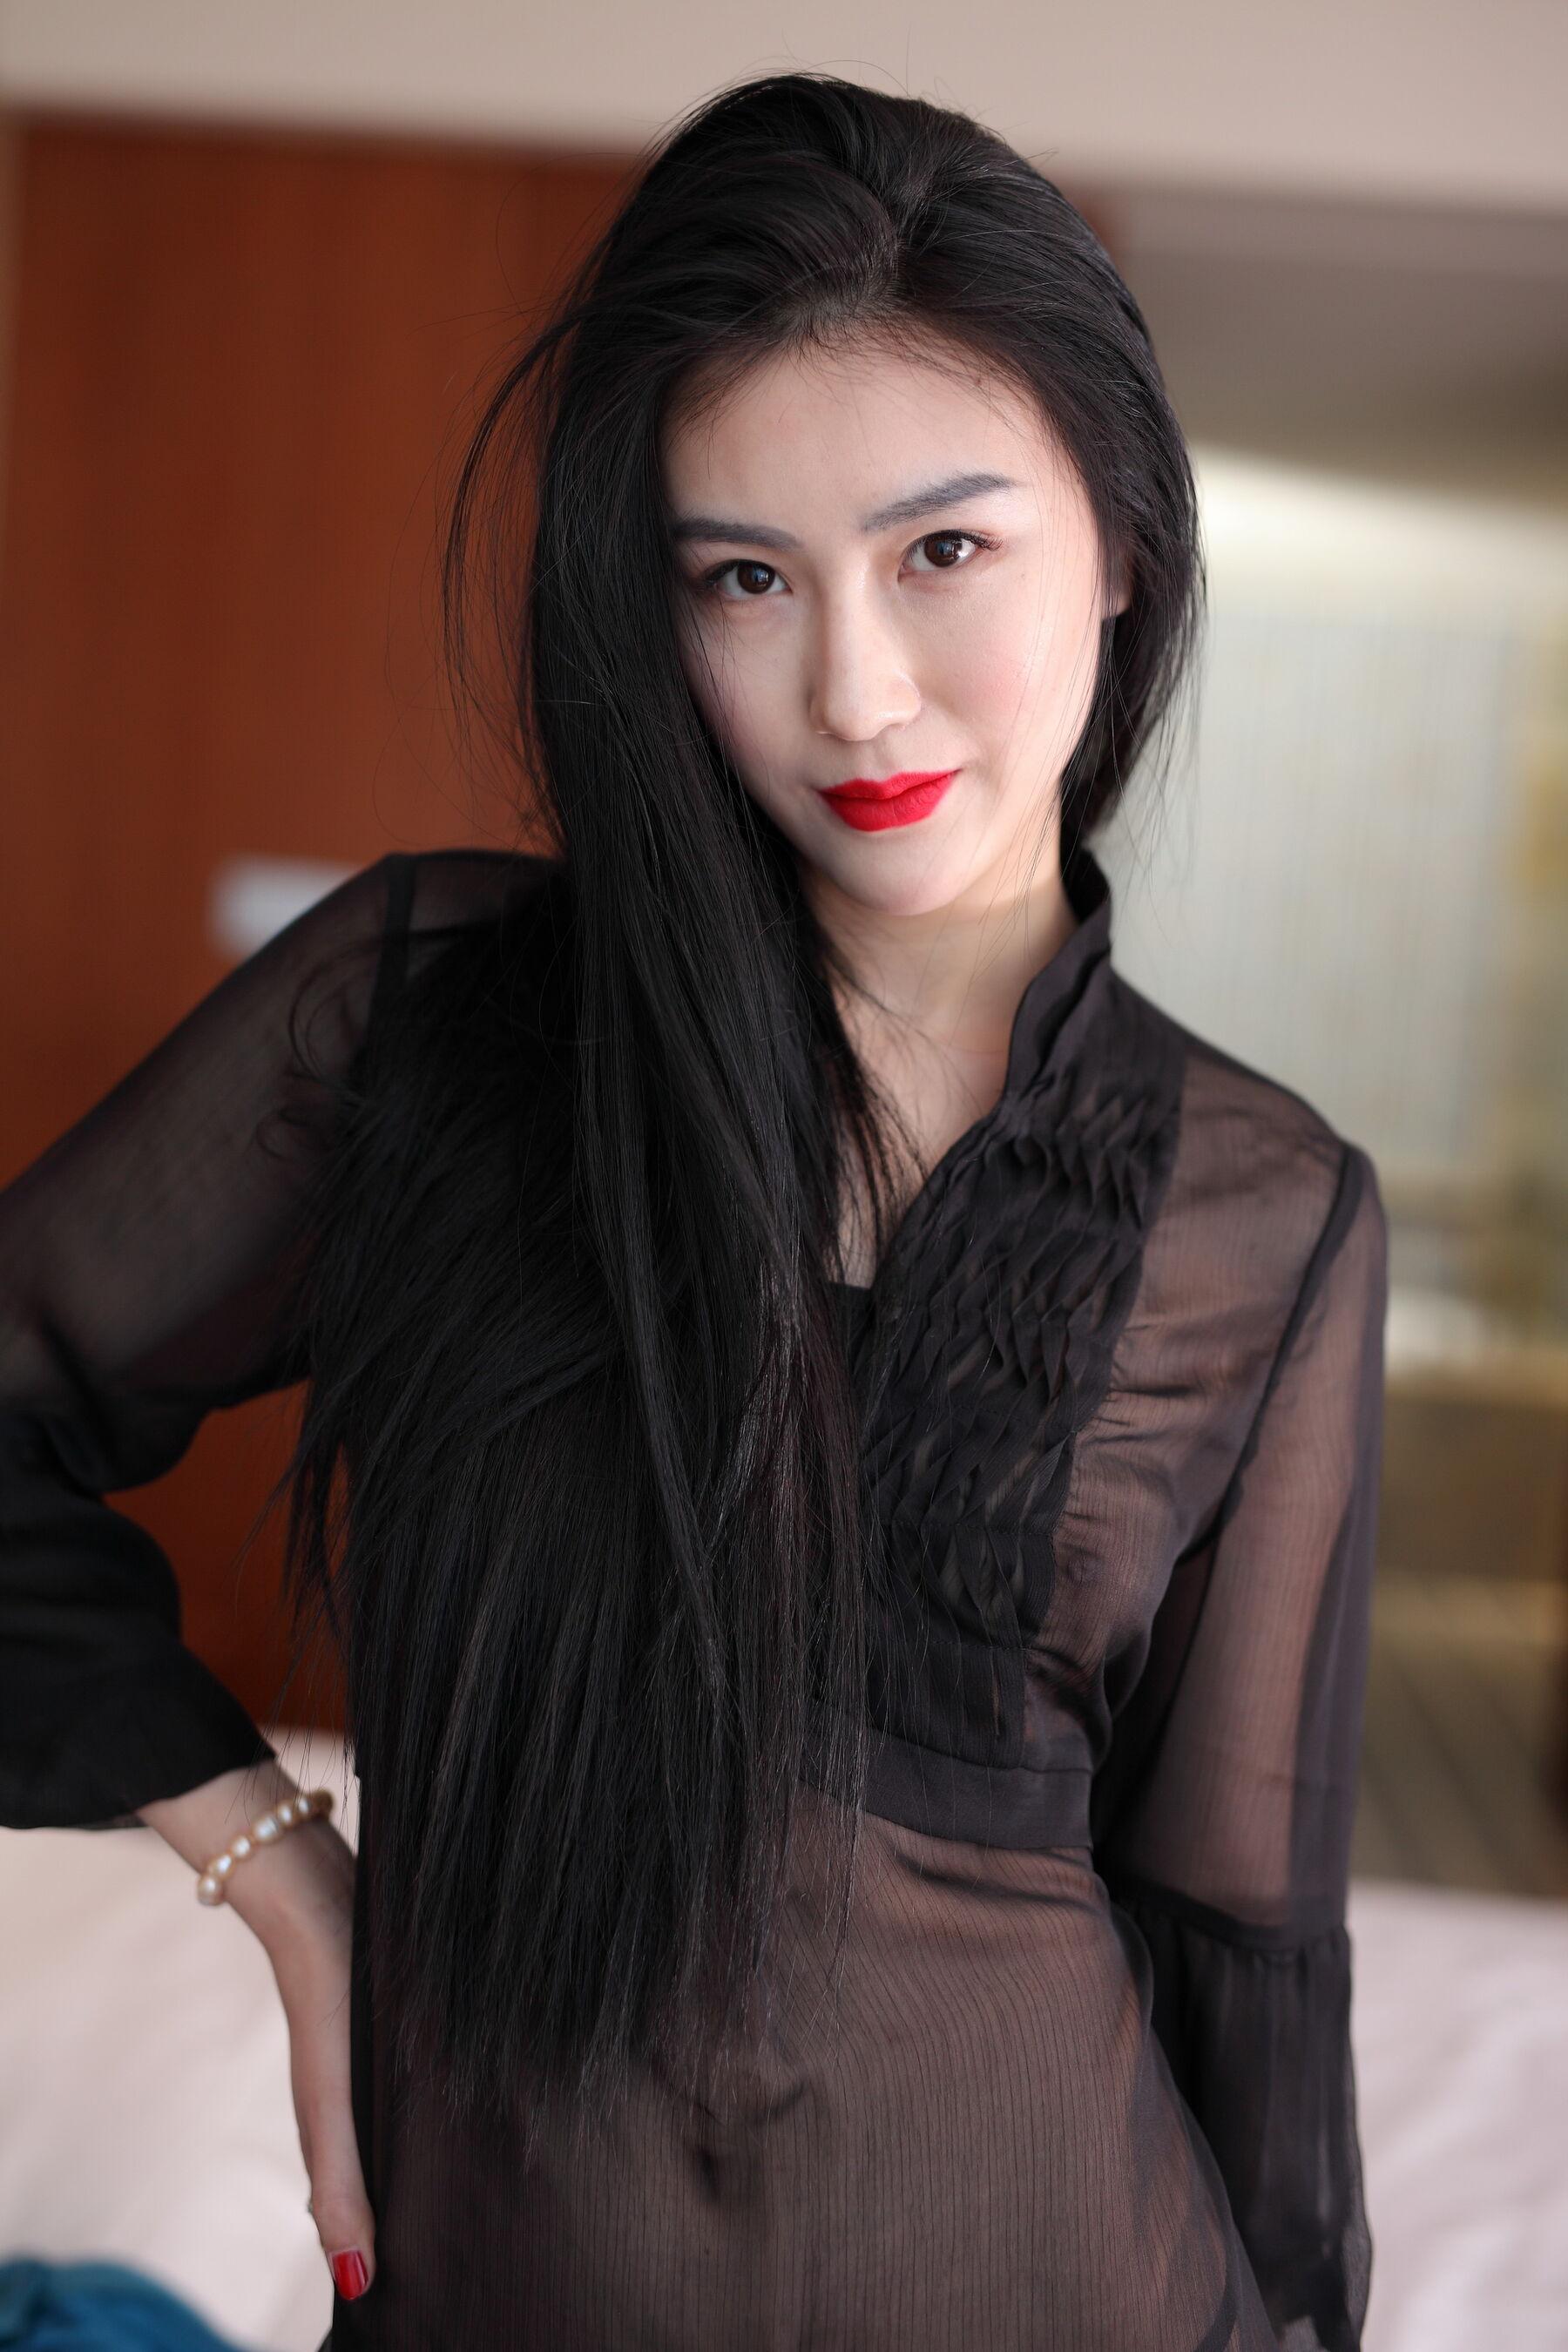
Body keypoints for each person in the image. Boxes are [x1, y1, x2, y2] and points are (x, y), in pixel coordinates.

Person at [0, 71, 1387, 2352]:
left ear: (1124, 540)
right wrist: (278, 1872)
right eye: (746, 577)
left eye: (944, 552)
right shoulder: (425, 1016)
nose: (855, 690)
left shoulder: (1269, 1210)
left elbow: (1244, 1954)